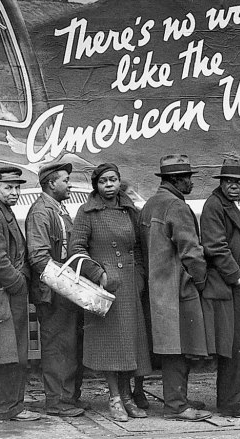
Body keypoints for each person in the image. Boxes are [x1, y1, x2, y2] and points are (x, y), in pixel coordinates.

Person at [69, 163, 150, 422]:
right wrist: (99, 275)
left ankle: (127, 396)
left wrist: (137, 278)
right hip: (103, 289)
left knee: (129, 346)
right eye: (103, 181)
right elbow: (76, 250)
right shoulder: (86, 212)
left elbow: (137, 247)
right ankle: (115, 398)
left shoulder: (129, 210)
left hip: (128, 285)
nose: (109, 185)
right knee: (110, 346)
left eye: (113, 179)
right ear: (96, 185)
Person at [138, 155, 212, 422]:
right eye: (188, 177)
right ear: (176, 180)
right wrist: (200, 281)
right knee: (180, 348)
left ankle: (177, 399)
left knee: (172, 347)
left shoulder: (150, 204)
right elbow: (192, 252)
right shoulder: (176, 206)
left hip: (157, 288)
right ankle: (176, 406)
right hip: (179, 289)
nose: (191, 181)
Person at [200, 157, 240, 419]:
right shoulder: (215, 205)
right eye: (229, 181)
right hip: (230, 283)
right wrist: (236, 276)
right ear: (222, 183)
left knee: (239, 345)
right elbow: (214, 246)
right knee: (238, 346)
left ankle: (234, 401)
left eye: (239, 182)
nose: (234, 186)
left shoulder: (239, 205)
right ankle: (233, 405)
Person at [0, 167, 40, 422]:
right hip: (2, 295)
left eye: (17, 187)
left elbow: (18, 253)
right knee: (7, 354)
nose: (14, 192)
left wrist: (21, 276)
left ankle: (5, 406)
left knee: (12, 352)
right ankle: (8, 408)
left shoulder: (5, 212)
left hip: (7, 292)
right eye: (8, 187)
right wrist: (18, 283)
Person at [25, 162, 86, 418]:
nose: (69, 184)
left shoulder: (59, 209)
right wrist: (68, 281)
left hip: (65, 289)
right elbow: (38, 257)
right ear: (52, 183)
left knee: (69, 344)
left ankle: (68, 398)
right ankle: (56, 400)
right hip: (53, 292)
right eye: (66, 179)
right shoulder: (41, 212)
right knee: (56, 346)